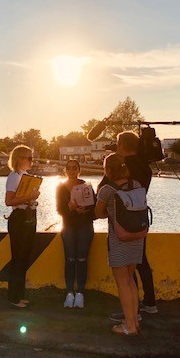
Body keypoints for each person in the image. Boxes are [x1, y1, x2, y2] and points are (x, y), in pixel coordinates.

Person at [97, 131, 158, 322]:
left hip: (121, 224)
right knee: (141, 261)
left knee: (125, 275)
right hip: (139, 219)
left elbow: (102, 193)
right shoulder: (145, 168)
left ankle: (132, 313)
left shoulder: (118, 167)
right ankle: (149, 302)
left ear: (121, 144)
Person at [95, 153, 144, 335]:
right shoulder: (137, 185)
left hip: (119, 239)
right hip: (137, 237)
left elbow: (98, 213)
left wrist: (110, 211)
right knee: (130, 280)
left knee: (122, 283)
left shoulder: (107, 190)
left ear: (108, 170)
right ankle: (133, 321)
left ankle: (129, 327)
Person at [4, 145, 40, 309]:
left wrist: (32, 199)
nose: (31, 161)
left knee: (24, 257)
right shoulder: (14, 176)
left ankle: (19, 295)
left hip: (28, 215)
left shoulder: (25, 176)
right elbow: (9, 201)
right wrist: (29, 196)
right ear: (19, 159)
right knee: (18, 257)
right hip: (19, 218)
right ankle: (13, 297)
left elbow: (24, 199)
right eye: (28, 157)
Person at [56, 160, 95, 309]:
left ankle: (80, 293)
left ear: (79, 170)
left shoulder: (87, 187)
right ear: (65, 170)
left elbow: (94, 208)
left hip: (85, 227)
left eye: (74, 168)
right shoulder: (60, 188)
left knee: (82, 259)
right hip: (68, 227)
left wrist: (83, 210)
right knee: (70, 259)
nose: (72, 171)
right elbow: (60, 210)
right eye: (69, 168)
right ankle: (69, 293)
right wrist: (72, 210)